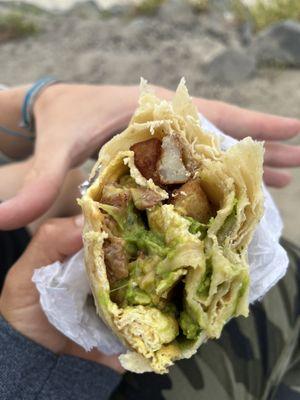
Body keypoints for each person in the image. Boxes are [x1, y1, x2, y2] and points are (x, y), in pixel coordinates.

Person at [0, 80, 299, 399]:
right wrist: (27, 372)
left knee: (290, 274)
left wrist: (34, 102)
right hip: (77, 370)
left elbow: (57, 183)